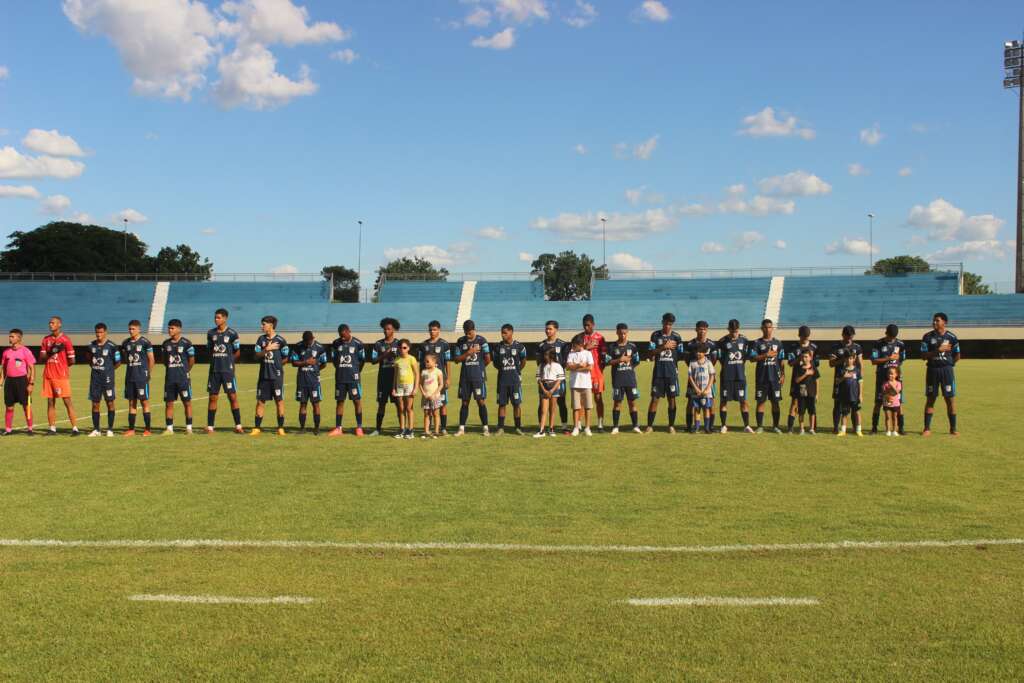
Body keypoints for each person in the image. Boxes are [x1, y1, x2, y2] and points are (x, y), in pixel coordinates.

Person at [921, 312, 960, 437]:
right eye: (934, 320)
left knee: (950, 399)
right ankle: (927, 428)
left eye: (937, 320)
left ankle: (953, 429)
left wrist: (949, 364)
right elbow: (923, 356)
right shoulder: (927, 337)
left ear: (944, 322)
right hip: (932, 370)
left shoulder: (952, 337)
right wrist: (937, 351)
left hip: (947, 371)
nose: (934, 322)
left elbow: (957, 355)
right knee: (931, 399)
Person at [39, 316, 79, 436]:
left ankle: (75, 428)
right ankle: (52, 428)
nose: (50, 325)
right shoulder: (46, 340)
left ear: (59, 324)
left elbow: (72, 360)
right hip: (48, 375)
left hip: (61, 376)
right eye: (50, 323)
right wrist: (52, 351)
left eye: (53, 323)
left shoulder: (66, 340)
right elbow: (42, 358)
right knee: (50, 402)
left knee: (67, 401)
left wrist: (62, 367)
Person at [250, 316, 289, 436]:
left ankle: (280, 428)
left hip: (276, 377)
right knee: (261, 401)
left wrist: (277, 366)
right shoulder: (260, 339)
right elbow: (256, 356)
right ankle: (257, 428)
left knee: (279, 401)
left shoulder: (281, 341)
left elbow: (286, 357)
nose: (262, 326)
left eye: (264, 324)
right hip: (264, 376)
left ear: (271, 325)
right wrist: (267, 349)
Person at [206, 308, 243, 434]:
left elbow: (237, 352)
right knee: (212, 398)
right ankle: (210, 427)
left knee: (232, 397)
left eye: (219, 317)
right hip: (214, 371)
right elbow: (210, 350)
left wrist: (229, 361)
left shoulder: (232, 334)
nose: (216, 320)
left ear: (225, 318)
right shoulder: (211, 333)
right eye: (215, 317)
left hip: (227, 371)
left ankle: (238, 426)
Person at [646, 312, 683, 434]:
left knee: (672, 399)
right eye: (666, 323)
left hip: (672, 374)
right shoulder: (655, 336)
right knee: (655, 399)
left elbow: (681, 355)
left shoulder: (677, 337)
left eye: (670, 324)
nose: (668, 326)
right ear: (662, 322)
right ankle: (650, 426)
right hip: (659, 373)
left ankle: (671, 426)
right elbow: (650, 354)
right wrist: (663, 347)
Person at [454, 319, 491, 436]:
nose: (467, 335)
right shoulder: (460, 341)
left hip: (478, 378)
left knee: (481, 401)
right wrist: (469, 353)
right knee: (465, 402)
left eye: (469, 333)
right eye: (466, 333)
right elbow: (456, 359)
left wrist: (479, 368)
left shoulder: (482, 341)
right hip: (465, 377)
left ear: (474, 330)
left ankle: (485, 428)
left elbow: (488, 359)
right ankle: (461, 429)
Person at [328, 324, 365, 436]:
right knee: (340, 402)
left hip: (353, 378)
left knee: (357, 401)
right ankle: (338, 428)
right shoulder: (336, 343)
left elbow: (362, 360)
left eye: (344, 335)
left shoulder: (358, 344)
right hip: (340, 378)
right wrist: (340, 369)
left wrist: (356, 371)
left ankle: (359, 428)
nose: (342, 338)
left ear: (349, 331)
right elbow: (334, 360)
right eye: (341, 336)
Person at [605, 323, 641, 434]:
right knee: (617, 403)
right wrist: (620, 360)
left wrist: (629, 367)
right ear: (617, 332)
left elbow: (637, 361)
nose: (623, 335)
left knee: (632, 403)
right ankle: (615, 427)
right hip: (617, 380)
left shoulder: (632, 346)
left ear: (627, 332)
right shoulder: (611, 347)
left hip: (630, 380)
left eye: (624, 333)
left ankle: (635, 426)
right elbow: (607, 362)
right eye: (620, 333)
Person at [717, 319, 753, 433]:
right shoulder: (722, 342)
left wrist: (740, 367)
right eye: (732, 331)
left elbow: (747, 357)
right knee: (724, 401)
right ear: (728, 329)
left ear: (739, 329)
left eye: (736, 331)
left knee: (743, 401)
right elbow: (720, 359)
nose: (734, 333)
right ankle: (723, 425)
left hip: (740, 377)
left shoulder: (744, 340)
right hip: (727, 377)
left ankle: (746, 425)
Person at [749, 318, 785, 433]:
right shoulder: (756, 343)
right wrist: (766, 355)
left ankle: (776, 426)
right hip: (762, 378)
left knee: (775, 402)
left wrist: (783, 375)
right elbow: (752, 358)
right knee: (761, 401)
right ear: (762, 328)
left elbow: (781, 361)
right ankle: (760, 426)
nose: (768, 329)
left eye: (770, 327)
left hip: (775, 378)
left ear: (772, 328)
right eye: (765, 327)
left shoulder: (778, 343)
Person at [871, 324, 906, 435]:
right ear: (886, 333)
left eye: (894, 337)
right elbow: (873, 361)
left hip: (896, 379)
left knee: (899, 403)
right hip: (882, 378)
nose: (892, 339)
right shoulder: (878, 344)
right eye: (890, 337)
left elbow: (902, 358)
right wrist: (888, 359)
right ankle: (874, 428)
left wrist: (896, 365)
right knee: (878, 402)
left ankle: (900, 429)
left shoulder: (900, 344)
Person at [161, 319, 195, 434]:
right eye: (169, 328)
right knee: (169, 403)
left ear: (179, 329)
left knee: (187, 402)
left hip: (183, 379)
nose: (170, 330)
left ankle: (189, 428)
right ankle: (169, 428)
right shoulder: (166, 344)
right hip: (170, 379)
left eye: (172, 328)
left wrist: (185, 370)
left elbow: (191, 360)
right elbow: (165, 361)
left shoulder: (187, 343)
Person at [121, 319, 155, 437]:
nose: (131, 331)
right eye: (130, 329)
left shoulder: (146, 342)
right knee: (131, 403)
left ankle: (148, 429)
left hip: (141, 377)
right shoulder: (126, 343)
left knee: (144, 402)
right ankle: (131, 429)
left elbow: (151, 359)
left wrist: (147, 373)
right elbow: (126, 358)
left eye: (133, 329)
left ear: (139, 329)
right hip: (130, 377)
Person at [418, 320, 451, 435]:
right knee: (428, 406)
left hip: (440, 380)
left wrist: (448, 378)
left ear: (439, 330)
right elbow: (420, 364)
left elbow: (448, 362)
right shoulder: (423, 345)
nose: (432, 331)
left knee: (442, 404)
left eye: (435, 329)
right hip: (428, 382)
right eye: (431, 329)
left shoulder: (444, 344)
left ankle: (443, 428)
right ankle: (429, 429)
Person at [87, 322, 120, 437]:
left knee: (110, 403)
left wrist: (108, 371)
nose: (98, 334)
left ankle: (110, 429)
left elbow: (118, 363)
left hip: (107, 380)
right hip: (95, 380)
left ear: (105, 332)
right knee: (95, 404)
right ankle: (97, 430)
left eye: (101, 332)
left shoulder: (112, 346)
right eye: (97, 332)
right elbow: (89, 360)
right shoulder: (91, 346)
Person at [290, 330, 327, 435]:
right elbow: (293, 363)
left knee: (316, 404)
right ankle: (302, 428)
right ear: (303, 340)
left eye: (309, 341)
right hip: (302, 380)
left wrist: (315, 370)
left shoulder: (320, 347)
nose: (308, 343)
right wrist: (306, 362)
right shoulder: (298, 347)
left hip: (314, 381)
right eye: (306, 341)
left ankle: (317, 428)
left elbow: (324, 363)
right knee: (303, 404)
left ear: (313, 338)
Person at [828, 326, 863, 434]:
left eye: (851, 336)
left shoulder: (857, 347)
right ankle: (835, 427)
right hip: (840, 380)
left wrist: (860, 377)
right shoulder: (835, 347)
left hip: (853, 381)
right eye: (847, 336)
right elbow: (831, 363)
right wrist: (843, 359)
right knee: (837, 403)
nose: (849, 338)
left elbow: (860, 364)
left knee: (854, 404)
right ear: (843, 335)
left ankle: (854, 428)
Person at [685, 321, 718, 432]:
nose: (702, 331)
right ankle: (690, 426)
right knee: (691, 402)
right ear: (696, 329)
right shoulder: (690, 344)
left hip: (708, 379)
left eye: (704, 329)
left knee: (710, 402)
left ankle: (710, 426)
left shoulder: (712, 345)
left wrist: (708, 373)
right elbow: (687, 360)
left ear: (707, 330)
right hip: (694, 378)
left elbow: (714, 360)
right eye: (700, 329)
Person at [370, 317, 401, 436]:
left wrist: (395, 355)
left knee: (398, 404)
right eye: (384, 329)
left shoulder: (399, 343)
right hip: (383, 379)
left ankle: (401, 427)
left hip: (395, 379)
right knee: (381, 404)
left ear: (393, 330)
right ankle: (377, 429)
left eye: (388, 329)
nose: (386, 331)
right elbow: (373, 360)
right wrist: (385, 354)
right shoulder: (378, 344)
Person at [494, 323, 527, 435]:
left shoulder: (519, 347)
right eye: (502, 333)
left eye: (505, 333)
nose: (502, 335)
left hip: (515, 381)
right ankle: (501, 427)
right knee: (502, 404)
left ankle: (518, 427)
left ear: (511, 332)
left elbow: (523, 362)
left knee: (516, 404)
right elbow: (496, 364)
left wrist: (516, 371)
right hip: (502, 381)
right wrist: (505, 369)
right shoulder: (498, 347)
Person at [537, 321, 570, 431]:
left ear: (556, 329)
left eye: (550, 329)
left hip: (559, 380)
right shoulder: (541, 345)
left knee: (561, 401)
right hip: (545, 379)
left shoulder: (563, 344)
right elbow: (539, 363)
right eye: (546, 329)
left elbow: (565, 362)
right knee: (542, 402)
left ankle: (564, 426)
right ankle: (541, 426)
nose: (548, 331)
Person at [2, 329, 35, 435]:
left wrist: (31, 383)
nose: (10, 338)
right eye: (9, 336)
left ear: (19, 338)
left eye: (12, 336)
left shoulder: (26, 351)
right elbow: (3, 369)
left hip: (22, 381)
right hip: (9, 382)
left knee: (26, 406)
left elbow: (32, 368)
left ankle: (30, 429)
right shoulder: (6, 352)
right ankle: (8, 430)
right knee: (9, 407)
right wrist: (1, 382)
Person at [786, 325, 818, 433]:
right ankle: (790, 427)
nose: (805, 339)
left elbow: (816, 364)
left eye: (806, 337)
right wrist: (799, 359)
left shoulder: (814, 347)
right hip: (797, 378)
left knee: (811, 403)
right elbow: (790, 363)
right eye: (803, 336)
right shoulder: (794, 347)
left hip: (810, 381)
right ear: (799, 335)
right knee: (794, 402)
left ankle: (812, 428)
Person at [581, 314, 608, 430]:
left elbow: (604, 357)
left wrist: (600, 370)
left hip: (596, 373)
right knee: (582, 399)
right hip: (583, 373)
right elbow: (575, 353)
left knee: (598, 398)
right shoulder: (580, 338)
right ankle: (579, 424)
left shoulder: (600, 338)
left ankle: (600, 423)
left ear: (593, 324)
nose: (586, 328)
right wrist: (585, 347)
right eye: (584, 325)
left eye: (588, 325)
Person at [565, 334, 593, 436]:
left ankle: (587, 428)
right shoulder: (571, 354)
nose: (572, 347)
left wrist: (576, 368)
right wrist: (579, 365)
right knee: (576, 407)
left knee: (587, 407)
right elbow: (568, 367)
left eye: (574, 345)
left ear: (580, 344)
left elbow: (590, 368)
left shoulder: (588, 354)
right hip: (575, 384)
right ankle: (576, 427)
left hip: (586, 384)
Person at [392, 338, 419, 439]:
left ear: (408, 348)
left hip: (409, 386)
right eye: (400, 347)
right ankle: (402, 429)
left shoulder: (412, 359)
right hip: (399, 386)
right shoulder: (397, 360)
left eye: (404, 347)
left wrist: (415, 388)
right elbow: (395, 375)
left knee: (409, 408)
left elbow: (417, 374)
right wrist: (393, 388)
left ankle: (410, 430)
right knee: (401, 408)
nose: (402, 349)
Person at [687, 343, 716, 434]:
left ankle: (706, 428)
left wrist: (708, 388)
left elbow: (712, 376)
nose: (698, 353)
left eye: (700, 352)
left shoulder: (708, 362)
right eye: (697, 352)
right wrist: (696, 389)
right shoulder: (692, 363)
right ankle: (696, 427)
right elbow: (690, 377)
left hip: (706, 391)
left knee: (706, 408)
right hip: (696, 391)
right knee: (697, 409)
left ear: (705, 353)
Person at [535, 349, 564, 438]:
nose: (545, 356)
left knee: (552, 410)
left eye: (547, 355)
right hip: (544, 388)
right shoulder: (541, 366)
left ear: (551, 355)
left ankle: (551, 429)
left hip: (554, 388)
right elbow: (539, 379)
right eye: (544, 355)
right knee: (544, 410)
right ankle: (542, 430)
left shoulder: (558, 366)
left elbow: (559, 380)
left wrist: (552, 390)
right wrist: (544, 390)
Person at [836, 353, 863, 436]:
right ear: (845, 359)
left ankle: (858, 430)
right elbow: (837, 381)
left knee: (857, 412)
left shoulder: (857, 370)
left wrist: (860, 395)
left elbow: (860, 382)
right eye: (847, 358)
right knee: (844, 413)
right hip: (845, 396)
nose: (849, 360)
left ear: (854, 359)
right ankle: (843, 430)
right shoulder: (841, 370)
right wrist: (844, 377)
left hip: (855, 395)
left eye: (851, 358)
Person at [420, 353, 444, 439]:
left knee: (435, 414)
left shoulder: (438, 371)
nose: (425, 363)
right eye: (425, 361)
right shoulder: (423, 372)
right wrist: (423, 393)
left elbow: (441, 384)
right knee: (426, 414)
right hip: (426, 397)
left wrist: (434, 394)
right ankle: (426, 431)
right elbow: (420, 384)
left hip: (435, 397)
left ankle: (436, 431)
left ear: (434, 362)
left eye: (427, 361)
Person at [793, 348, 817, 434]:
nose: (804, 358)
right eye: (803, 357)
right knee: (801, 412)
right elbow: (797, 380)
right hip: (802, 392)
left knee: (812, 411)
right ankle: (801, 429)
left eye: (806, 357)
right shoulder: (799, 368)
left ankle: (811, 428)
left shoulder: (813, 368)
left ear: (810, 358)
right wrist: (805, 374)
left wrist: (817, 394)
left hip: (811, 392)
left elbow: (817, 380)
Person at [881, 366, 902, 437]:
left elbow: (897, 392)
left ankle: (894, 431)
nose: (891, 375)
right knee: (887, 417)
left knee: (894, 417)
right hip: (887, 403)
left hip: (895, 403)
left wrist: (892, 385)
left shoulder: (898, 383)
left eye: (892, 374)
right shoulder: (885, 383)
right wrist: (887, 395)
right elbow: (883, 392)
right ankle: (888, 430)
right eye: (889, 374)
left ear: (896, 375)